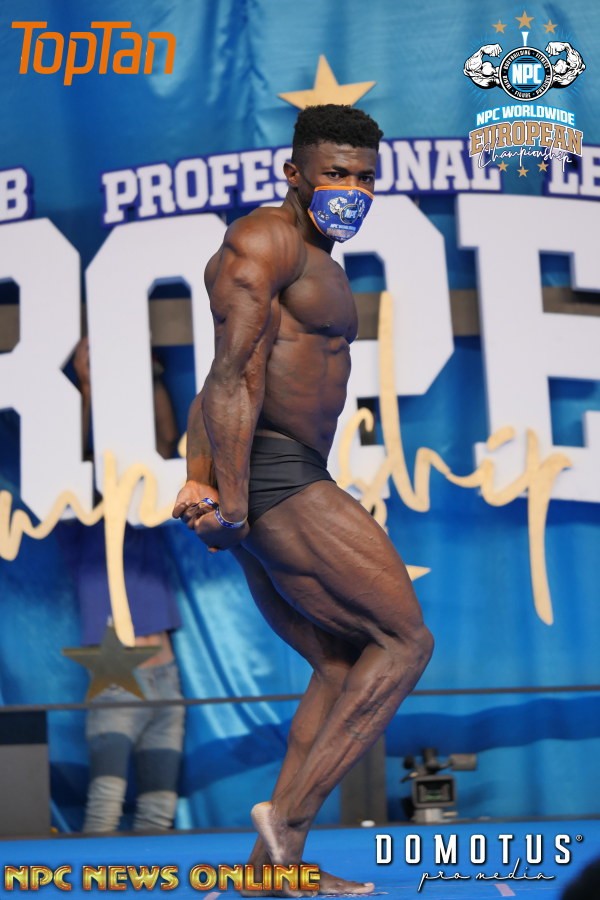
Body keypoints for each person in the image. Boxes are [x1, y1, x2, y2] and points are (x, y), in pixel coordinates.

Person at [173, 104, 433, 893]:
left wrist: (205, 476)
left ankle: (271, 875)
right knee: (404, 641)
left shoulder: (319, 256)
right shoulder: (264, 241)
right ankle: (287, 820)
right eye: (336, 173)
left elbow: (221, 379)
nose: (353, 189)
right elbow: (232, 373)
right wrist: (231, 498)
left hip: (274, 472)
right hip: (273, 472)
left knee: (340, 661)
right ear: (294, 174)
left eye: (365, 177)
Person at [73, 336, 185, 833]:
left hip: (166, 676)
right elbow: (76, 461)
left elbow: (166, 444)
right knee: (105, 805)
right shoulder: (82, 515)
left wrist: (154, 376)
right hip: (117, 677)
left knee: (159, 811)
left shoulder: (147, 511)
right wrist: (88, 389)